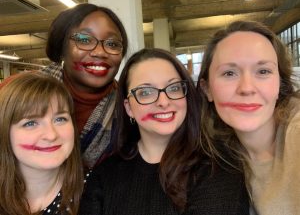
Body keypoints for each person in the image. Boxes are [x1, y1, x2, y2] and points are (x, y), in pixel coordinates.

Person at [79, 48, 249, 215]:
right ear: (129, 107)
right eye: (145, 92)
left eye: (174, 88)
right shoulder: (105, 175)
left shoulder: (218, 165)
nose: (163, 101)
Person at [197, 20, 300, 215]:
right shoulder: (216, 152)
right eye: (229, 73)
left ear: (280, 84)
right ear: (207, 89)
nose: (246, 88)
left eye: (263, 71)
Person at [43, 3, 128, 168]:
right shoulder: (16, 95)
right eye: (84, 40)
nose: (100, 52)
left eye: (112, 44)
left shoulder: (130, 110)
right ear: (61, 48)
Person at [0, 72, 83, 215]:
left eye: (60, 119)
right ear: (5, 132)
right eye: (31, 123)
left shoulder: (99, 190)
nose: (51, 135)